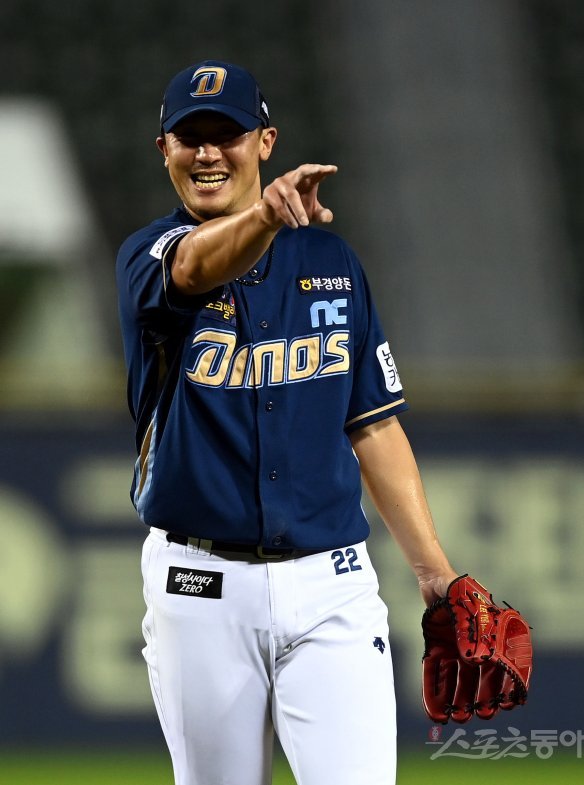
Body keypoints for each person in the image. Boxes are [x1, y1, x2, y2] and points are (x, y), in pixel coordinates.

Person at [116, 59, 458, 785]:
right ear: (164, 150)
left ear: (265, 142)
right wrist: (266, 216)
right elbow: (193, 269)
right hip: (200, 585)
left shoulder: (333, 262)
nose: (208, 153)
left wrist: (435, 573)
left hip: (332, 582)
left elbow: (373, 424)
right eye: (190, 137)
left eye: (227, 134)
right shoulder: (147, 256)